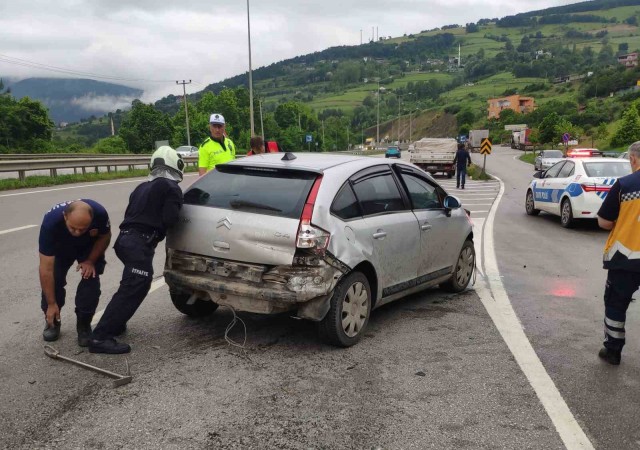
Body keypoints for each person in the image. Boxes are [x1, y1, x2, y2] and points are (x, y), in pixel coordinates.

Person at [89, 146, 185, 354]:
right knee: (137, 285)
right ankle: (100, 337)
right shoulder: (171, 188)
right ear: (175, 165)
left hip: (124, 241)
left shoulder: (141, 187)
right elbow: (171, 219)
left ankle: (117, 322)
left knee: (131, 284)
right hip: (139, 244)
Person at [38, 200, 111, 346]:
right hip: (61, 247)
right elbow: (46, 269)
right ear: (65, 216)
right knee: (55, 279)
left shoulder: (100, 213)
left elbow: (105, 236)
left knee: (90, 281)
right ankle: (53, 320)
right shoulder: (50, 222)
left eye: (82, 229)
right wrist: (51, 303)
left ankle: (84, 326)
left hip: (89, 247)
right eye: (73, 228)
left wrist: (90, 261)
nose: (77, 232)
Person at [596, 141, 640, 365]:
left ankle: (613, 350)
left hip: (626, 258)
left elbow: (604, 221)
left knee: (616, 303)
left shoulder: (625, 185)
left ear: (632, 159)